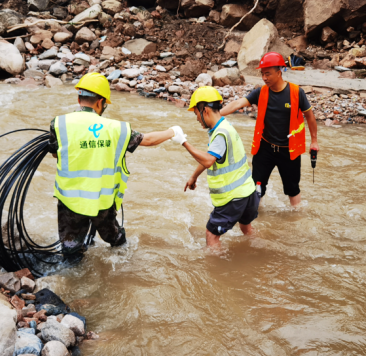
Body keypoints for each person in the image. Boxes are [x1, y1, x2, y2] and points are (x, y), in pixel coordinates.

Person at [48, 72, 186, 257]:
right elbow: (149, 140)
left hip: (70, 201)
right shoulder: (117, 129)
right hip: (101, 201)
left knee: (71, 250)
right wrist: (172, 131)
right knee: (117, 241)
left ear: (79, 97)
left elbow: (56, 154)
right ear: (100, 102)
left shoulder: (59, 124)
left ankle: (71, 278)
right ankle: (123, 269)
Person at [220, 52, 319, 207]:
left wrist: (314, 141)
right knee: (256, 186)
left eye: (268, 74)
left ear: (279, 73)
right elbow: (238, 103)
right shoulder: (261, 92)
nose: (264, 78)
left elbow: (310, 117)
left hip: (289, 150)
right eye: (262, 74)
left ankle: (297, 220)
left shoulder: (296, 92)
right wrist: (216, 116)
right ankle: (254, 216)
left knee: (292, 188)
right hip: (265, 148)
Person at [176, 86, 259, 249]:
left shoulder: (220, 133)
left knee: (211, 235)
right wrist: (194, 176)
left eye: (196, 114)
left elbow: (208, 160)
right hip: (248, 193)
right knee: (246, 228)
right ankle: (259, 252)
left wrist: (183, 142)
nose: (197, 119)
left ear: (205, 110)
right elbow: (212, 158)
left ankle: (218, 272)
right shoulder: (225, 127)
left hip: (233, 198)